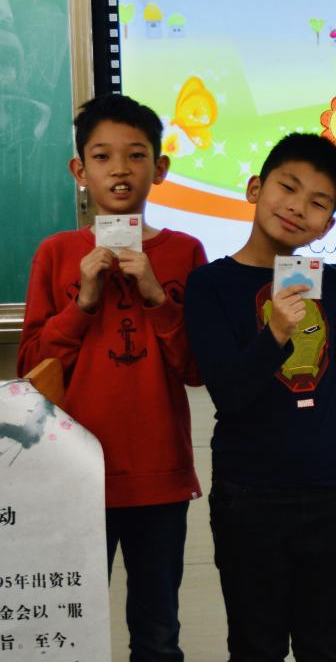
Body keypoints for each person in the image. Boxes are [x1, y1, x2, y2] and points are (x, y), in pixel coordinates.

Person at [18, 94, 206, 661]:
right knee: (73, 632)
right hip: (73, 475)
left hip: (159, 476)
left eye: (136, 155)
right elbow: (31, 373)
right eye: (102, 156)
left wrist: (155, 296)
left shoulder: (185, 252)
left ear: (160, 168)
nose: (120, 169)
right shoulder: (57, 253)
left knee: (158, 634)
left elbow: (196, 369)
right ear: (80, 170)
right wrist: (83, 302)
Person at [184, 133, 336, 661]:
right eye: (288, 187)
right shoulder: (209, 284)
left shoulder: (327, 281)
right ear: (254, 189)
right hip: (251, 494)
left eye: (318, 202)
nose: (298, 207)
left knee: (326, 646)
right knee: (255, 646)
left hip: (334, 490)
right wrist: (277, 334)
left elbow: (330, 378)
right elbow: (229, 392)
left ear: (328, 225)